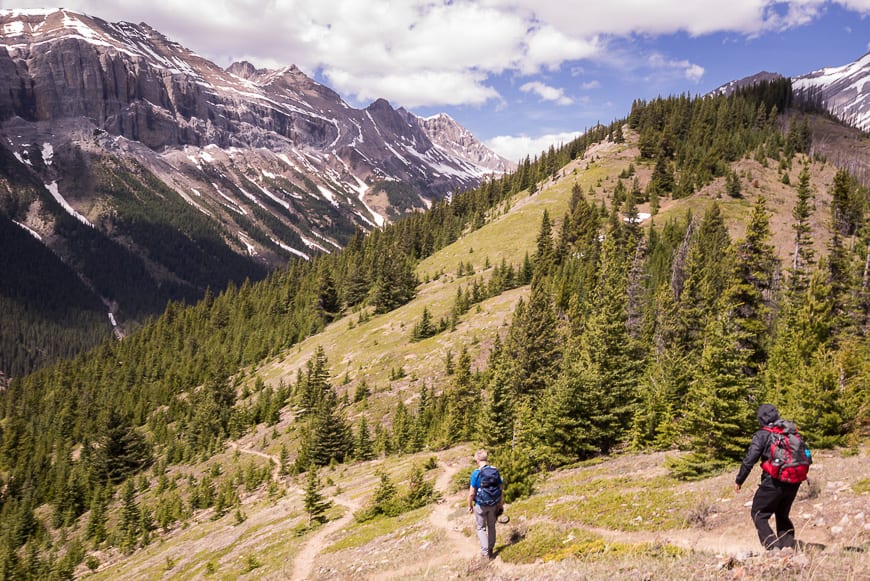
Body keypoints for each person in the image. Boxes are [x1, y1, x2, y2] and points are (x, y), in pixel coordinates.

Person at [734, 404, 801, 550]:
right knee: (782, 514)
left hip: (773, 481)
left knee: (759, 513)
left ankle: (773, 547)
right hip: (794, 480)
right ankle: (788, 547)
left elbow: (750, 459)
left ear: (761, 419)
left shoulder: (762, 434)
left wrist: (739, 480)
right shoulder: (789, 430)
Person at [468, 449, 504, 559]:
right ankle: (491, 548)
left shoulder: (476, 473)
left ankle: (485, 553)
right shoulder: (494, 471)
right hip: (493, 504)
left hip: (480, 504)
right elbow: (501, 488)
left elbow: (471, 493)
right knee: (492, 526)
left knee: (481, 528)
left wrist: (470, 506)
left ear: (477, 459)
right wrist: (500, 504)